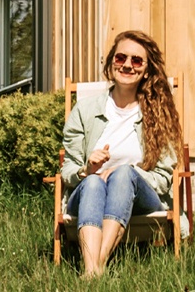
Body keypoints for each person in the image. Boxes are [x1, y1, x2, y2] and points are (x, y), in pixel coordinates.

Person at [60, 30, 181, 278]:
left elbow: (163, 178)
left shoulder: (158, 113)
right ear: (111, 62)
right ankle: (95, 270)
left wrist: (128, 174)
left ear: (146, 70)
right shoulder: (85, 110)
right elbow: (68, 171)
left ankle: (95, 266)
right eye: (120, 58)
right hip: (90, 195)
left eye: (136, 60)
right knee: (93, 182)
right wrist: (87, 169)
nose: (127, 65)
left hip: (141, 201)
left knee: (124, 173)